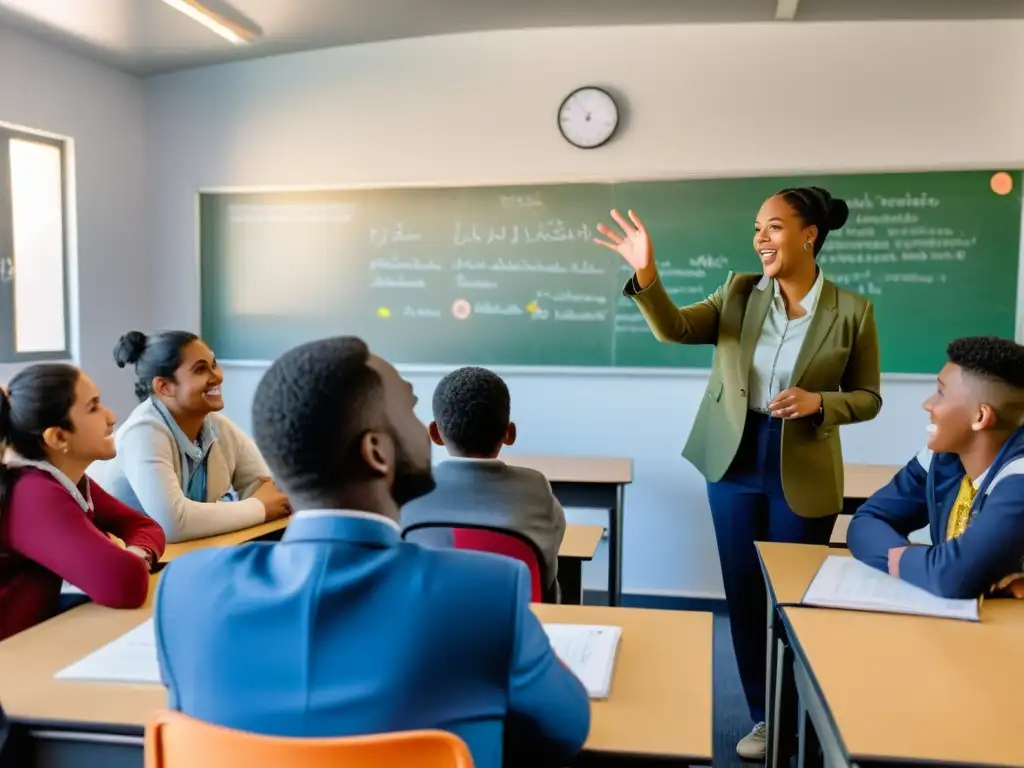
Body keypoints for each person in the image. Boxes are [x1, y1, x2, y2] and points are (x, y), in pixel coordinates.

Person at [153, 337, 590, 768]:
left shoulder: (186, 590)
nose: (424, 429)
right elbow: (565, 731)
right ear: (377, 452)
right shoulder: (488, 594)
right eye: (411, 411)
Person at [593, 187, 882, 760]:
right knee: (745, 595)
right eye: (756, 228)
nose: (760, 239)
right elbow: (673, 328)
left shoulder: (852, 311)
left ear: (809, 235)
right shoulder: (739, 292)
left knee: (796, 600)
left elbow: (869, 397)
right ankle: (763, 715)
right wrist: (647, 274)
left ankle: (808, 710)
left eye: (773, 227)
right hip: (734, 459)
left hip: (802, 465)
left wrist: (820, 402)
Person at [849, 336, 1024, 598]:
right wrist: (922, 563)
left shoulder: (1018, 478)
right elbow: (866, 522)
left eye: (941, 393)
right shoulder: (943, 458)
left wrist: (927, 566)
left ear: (980, 417)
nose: (928, 404)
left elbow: (953, 577)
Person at [0, 364, 166, 642]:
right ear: (58, 437)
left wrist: (139, 554)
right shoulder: (32, 492)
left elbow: (142, 525)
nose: (111, 417)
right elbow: (123, 585)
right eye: (94, 407)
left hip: (32, 633)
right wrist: (132, 561)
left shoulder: (67, 480)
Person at [93, 330, 290, 543]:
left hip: (182, 554)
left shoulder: (215, 425)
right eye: (200, 370)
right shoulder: (142, 432)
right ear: (164, 387)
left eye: (214, 365)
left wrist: (256, 505)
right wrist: (259, 508)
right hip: (126, 565)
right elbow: (172, 524)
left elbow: (271, 491)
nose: (217, 377)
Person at [400, 366, 567, 601]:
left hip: (430, 628)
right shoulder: (535, 487)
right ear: (509, 433)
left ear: (435, 434)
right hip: (515, 629)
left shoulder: (409, 490)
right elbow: (547, 572)